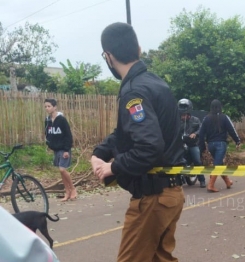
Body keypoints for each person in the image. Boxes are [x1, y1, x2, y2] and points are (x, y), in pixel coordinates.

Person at [91, 22, 185, 262]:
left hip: (153, 198)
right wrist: (100, 152)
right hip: (170, 193)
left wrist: (113, 166)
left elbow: (148, 147)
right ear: (139, 50)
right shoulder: (155, 83)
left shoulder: (134, 91)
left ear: (108, 56)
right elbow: (127, 133)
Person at [199, 99, 241, 193]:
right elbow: (232, 130)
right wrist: (237, 141)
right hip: (221, 144)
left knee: (219, 163)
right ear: (220, 107)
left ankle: (227, 181)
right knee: (217, 165)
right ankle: (211, 185)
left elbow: (201, 134)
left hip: (211, 145)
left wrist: (202, 146)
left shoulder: (206, 118)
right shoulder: (224, 117)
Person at [44, 98, 77, 202]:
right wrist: (49, 144)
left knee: (62, 169)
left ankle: (73, 189)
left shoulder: (61, 119)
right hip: (56, 149)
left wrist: (67, 149)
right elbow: (47, 133)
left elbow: (68, 135)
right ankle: (67, 192)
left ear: (54, 107)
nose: (47, 108)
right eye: (45, 106)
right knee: (61, 172)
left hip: (64, 148)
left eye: (49, 106)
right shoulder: (47, 120)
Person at [178, 98, 206, 188]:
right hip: (181, 144)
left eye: (184, 115)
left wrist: (195, 134)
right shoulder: (177, 122)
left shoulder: (196, 120)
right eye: (182, 115)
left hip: (193, 144)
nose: (183, 116)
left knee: (197, 161)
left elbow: (201, 129)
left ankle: (202, 180)